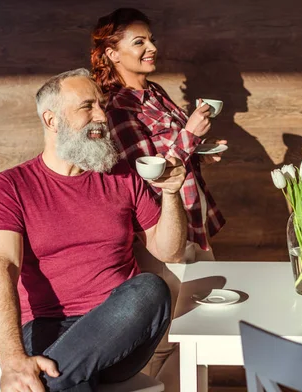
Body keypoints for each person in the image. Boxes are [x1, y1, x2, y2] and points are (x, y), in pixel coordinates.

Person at [0, 68, 188, 392]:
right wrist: (12, 360)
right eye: (87, 106)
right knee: (74, 377)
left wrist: (173, 193)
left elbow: (171, 251)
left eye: (101, 105)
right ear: (51, 121)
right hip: (48, 329)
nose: (102, 116)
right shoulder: (13, 185)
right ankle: (58, 381)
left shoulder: (121, 175)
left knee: (151, 288)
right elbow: (2, 266)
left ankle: (45, 383)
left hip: (120, 330)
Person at [90, 9, 227, 390]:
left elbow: (171, 155)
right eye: (140, 42)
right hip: (161, 233)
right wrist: (189, 135)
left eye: (150, 39)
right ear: (112, 52)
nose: (152, 47)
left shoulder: (153, 92)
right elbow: (145, 175)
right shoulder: (116, 104)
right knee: (169, 341)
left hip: (192, 224)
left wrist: (198, 150)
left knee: (201, 339)